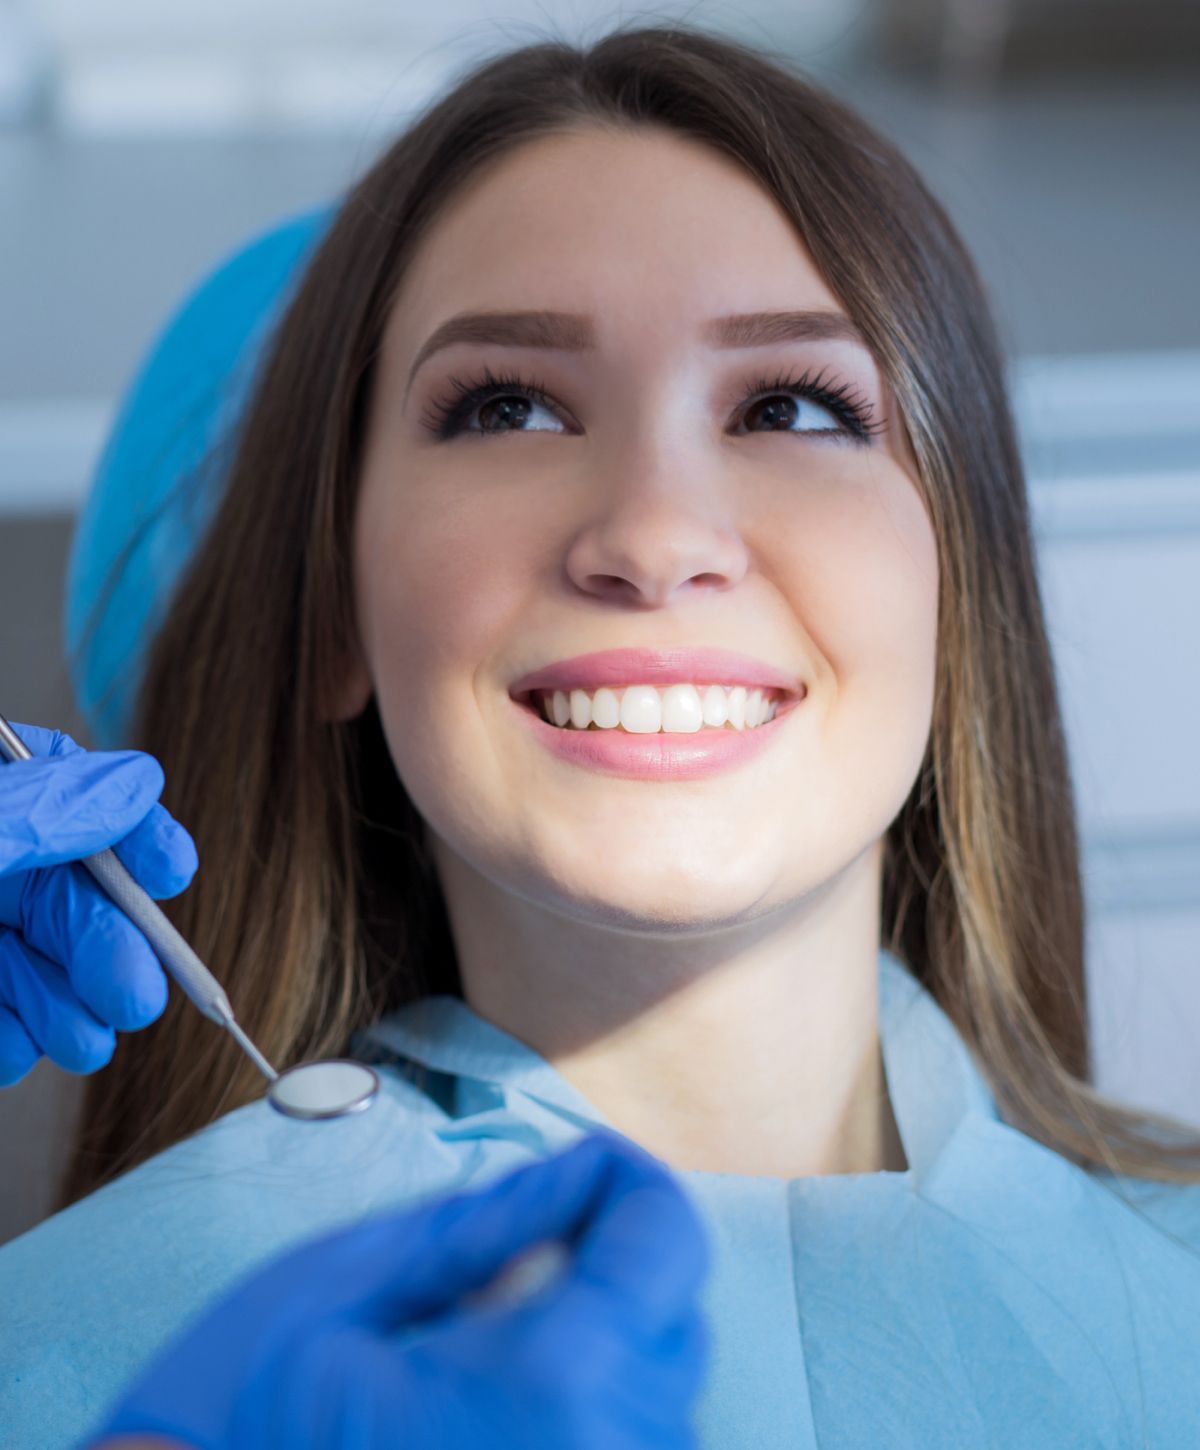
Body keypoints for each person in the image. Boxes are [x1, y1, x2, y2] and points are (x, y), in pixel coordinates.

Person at [3, 20, 1200, 1450]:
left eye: (794, 405)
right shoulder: (101, 1366)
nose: (652, 534)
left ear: (961, 588)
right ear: (336, 612)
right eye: (509, 405)